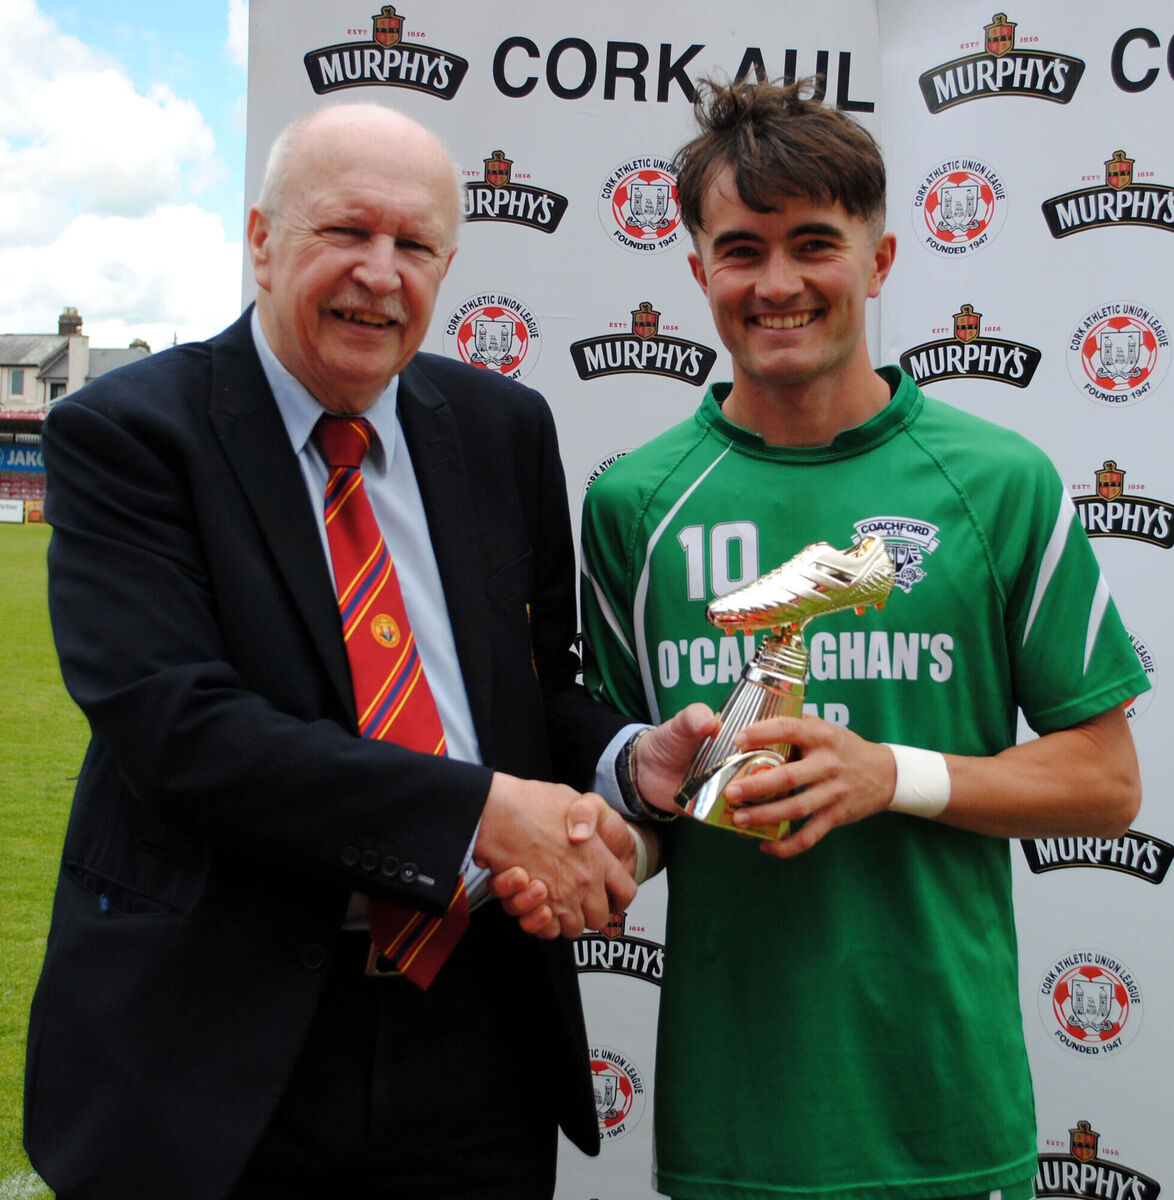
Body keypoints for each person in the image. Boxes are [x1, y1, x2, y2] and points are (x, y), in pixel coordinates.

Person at [24, 103, 710, 1200]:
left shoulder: (505, 431)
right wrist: (483, 815)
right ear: (260, 240)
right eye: (346, 231)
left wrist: (627, 763)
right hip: (216, 1047)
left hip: (476, 1036)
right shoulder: (130, 433)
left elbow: (536, 694)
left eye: (415, 245)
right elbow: (178, 729)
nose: (379, 275)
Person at [578, 80, 1147, 1200]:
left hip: (945, 1109)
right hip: (733, 1124)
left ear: (879, 261)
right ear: (697, 271)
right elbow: (631, 801)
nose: (778, 283)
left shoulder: (998, 482)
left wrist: (888, 775)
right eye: (741, 249)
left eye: (814, 245)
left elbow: (1106, 780)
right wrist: (590, 854)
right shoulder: (632, 504)